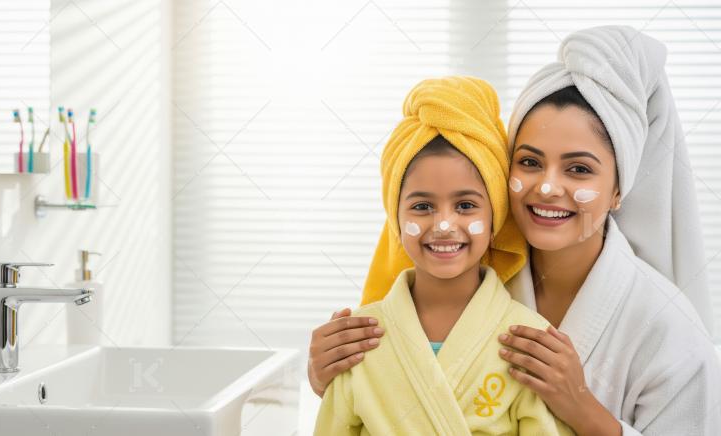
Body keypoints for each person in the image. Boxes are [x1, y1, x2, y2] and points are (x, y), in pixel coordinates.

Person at [309, 26, 721, 435]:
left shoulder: (670, 333)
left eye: (578, 169)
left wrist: (583, 408)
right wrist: (331, 374)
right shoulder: (465, 262)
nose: (546, 186)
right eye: (529, 162)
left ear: (618, 190)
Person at [313, 76, 572, 435]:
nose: (445, 224)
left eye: (465, 205)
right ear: (397, 222)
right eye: (422, 206)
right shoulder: (359, 341)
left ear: (495, 216)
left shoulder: (528, 339)